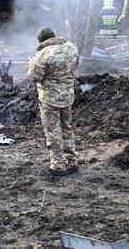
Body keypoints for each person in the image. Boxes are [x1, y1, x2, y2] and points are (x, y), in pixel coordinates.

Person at [28, 27, 80, 177]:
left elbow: (34, 76)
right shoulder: (70, 47)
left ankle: (57, 165)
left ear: (41, 41)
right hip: (68, 96)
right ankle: (72, 161)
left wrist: (31, 63)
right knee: (67, 128)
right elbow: (75, 66)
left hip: (50, 99)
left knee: (53, 131)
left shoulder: (43, 54)